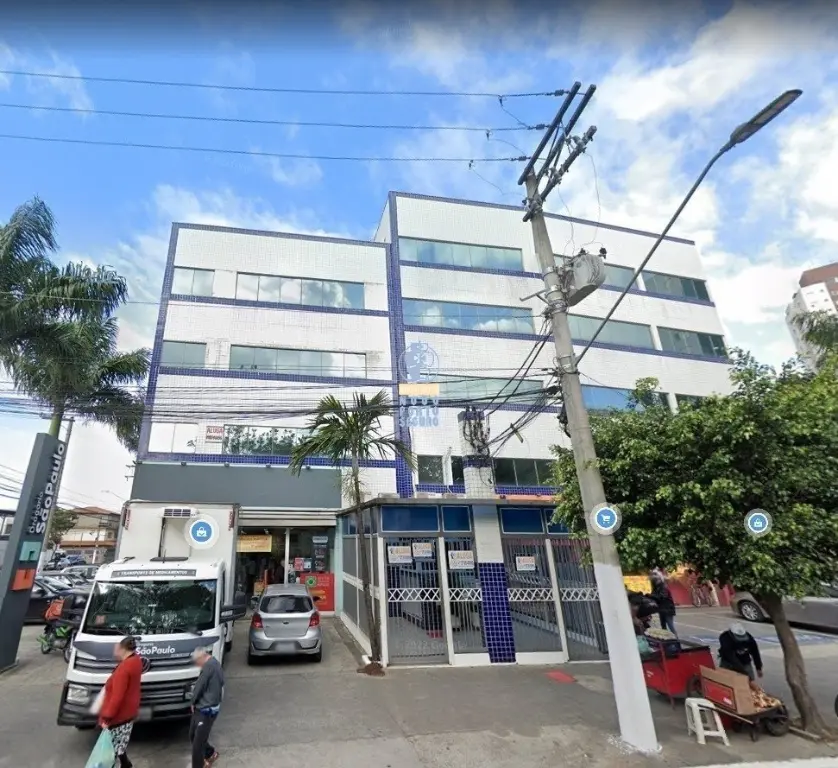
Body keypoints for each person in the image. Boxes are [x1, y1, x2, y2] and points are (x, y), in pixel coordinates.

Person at [98, 636, 142, 768]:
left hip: (119, 716)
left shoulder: (123, 669)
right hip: (129, 712)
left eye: (117, 648)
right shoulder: (136, 660)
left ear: (123, 649)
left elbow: (117, 697)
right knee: (120, 745)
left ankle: (124, 765)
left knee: (111, 750)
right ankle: (126, 764)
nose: (115, 651)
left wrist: (107, 717)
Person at [189, 646, 224, 768]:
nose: (197, 665)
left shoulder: (208, 667)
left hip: (205, 710)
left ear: (201, 657)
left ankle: (199, 765)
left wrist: (193, 702)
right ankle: (210, 753)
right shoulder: (216, 663)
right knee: (194, 735)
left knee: (197, 744)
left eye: (197, 661)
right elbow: (222, 682)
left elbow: (199, 686)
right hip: (209, 707)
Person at [650, 571, 677, 635]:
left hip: (668, 609)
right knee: (663, 627)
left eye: (655, 580)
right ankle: (666, 639)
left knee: (670, 625)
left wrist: (651, 597)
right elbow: (654, 596)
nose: (654, 582)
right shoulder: (656, 588)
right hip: (662, 609)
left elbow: (662, 596)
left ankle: (676, 639)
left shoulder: (663, 587)